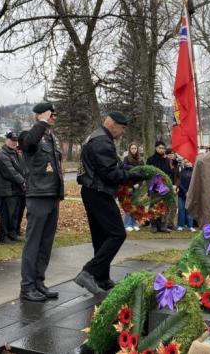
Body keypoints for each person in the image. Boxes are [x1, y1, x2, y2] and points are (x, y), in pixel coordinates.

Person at [75, 112, 143, 294]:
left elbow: (117, 165)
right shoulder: (102, 142)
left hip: (93, 190)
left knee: (102, 237)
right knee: (117, 234)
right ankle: (89, 272)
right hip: (99, 192)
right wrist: (137, 175)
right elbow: (112, 173)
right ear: (112, 124)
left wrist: (137, 169)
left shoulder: (99, 137)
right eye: (121, 128)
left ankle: (102, 278)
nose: (122, 132)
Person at [20, 102, 63, 302]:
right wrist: (42, 122)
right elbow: (28, 145)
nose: (53, 117)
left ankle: (38, 282)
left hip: (52, 194)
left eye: (52, 115)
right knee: (33, 243)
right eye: (49, 114)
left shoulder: (51, 138)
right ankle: (27, 286)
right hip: (38, 195)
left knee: (46, 244)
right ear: (39, 116)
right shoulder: (29, 135)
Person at [0, 132, 26, 243]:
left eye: (15, 140)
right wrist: (23, 181)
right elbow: (11, 172)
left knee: (15, 214)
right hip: (7, 189)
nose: (14, 142)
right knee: (6, 214)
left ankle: (12, 234)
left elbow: (22, 169)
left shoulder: (15, 153)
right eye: (12, 140)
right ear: (6, 140)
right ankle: (3, 236)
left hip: (17, 189)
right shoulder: (2, 154)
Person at [146, 141, 173, 233]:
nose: (162, 150)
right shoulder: (150, 160)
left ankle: (161, 226)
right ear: (156, 148)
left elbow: (169, 173)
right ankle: (153, 225)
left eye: (163, 148)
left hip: (164, 186)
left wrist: (168, 184)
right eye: (160, 148)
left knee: (162, 206)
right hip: (154, 186)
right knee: (154, 205)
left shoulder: (166, 160)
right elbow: (148, 174)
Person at [122, 143, 143, 231]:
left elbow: (143, 172)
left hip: (137, 185)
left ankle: (134, 223)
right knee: (128, 204)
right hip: (129, 185)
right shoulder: (126, 159)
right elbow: (124, 171)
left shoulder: (140, 160)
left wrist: (139, 184)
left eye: (135, 148)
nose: (133, 150)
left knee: (136, 204)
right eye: (132, 148)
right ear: (129, 149)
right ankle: (127, 223)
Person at [177, 158, 195, 232]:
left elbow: (194, 183)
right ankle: (181, 225)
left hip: (191, 194)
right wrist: (185, 192)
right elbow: (179, 183)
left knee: (189, 210)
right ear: (184, 163)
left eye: (189, 162)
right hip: (181, 193)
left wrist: (189, 192)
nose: (188, 163)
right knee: (181, 209)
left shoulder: (194, 171)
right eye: (186, 162)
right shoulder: (181, 171)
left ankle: (190, 225)